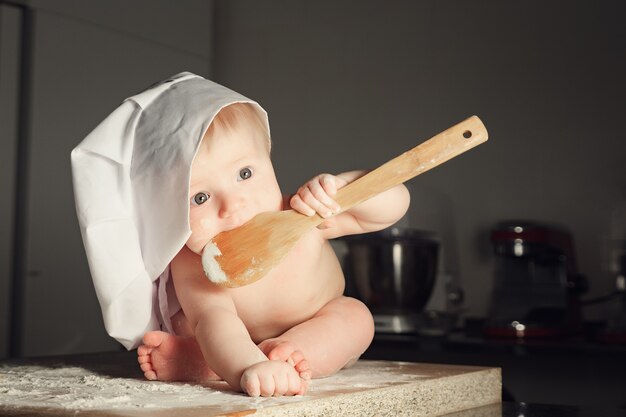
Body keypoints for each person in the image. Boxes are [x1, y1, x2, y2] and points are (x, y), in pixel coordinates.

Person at [72, 73, 409, 398]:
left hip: (318, 321)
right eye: (200, 198)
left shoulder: (299, 214)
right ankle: (212, 360)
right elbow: (214, 320)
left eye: (244, 173)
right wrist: (247, 366)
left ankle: (289, 353)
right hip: (232, 341)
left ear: (269, 159)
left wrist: (343, 190)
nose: (232, 206)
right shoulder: (194, 262)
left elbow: (392, 207)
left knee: (356, 318)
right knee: (202, 331)